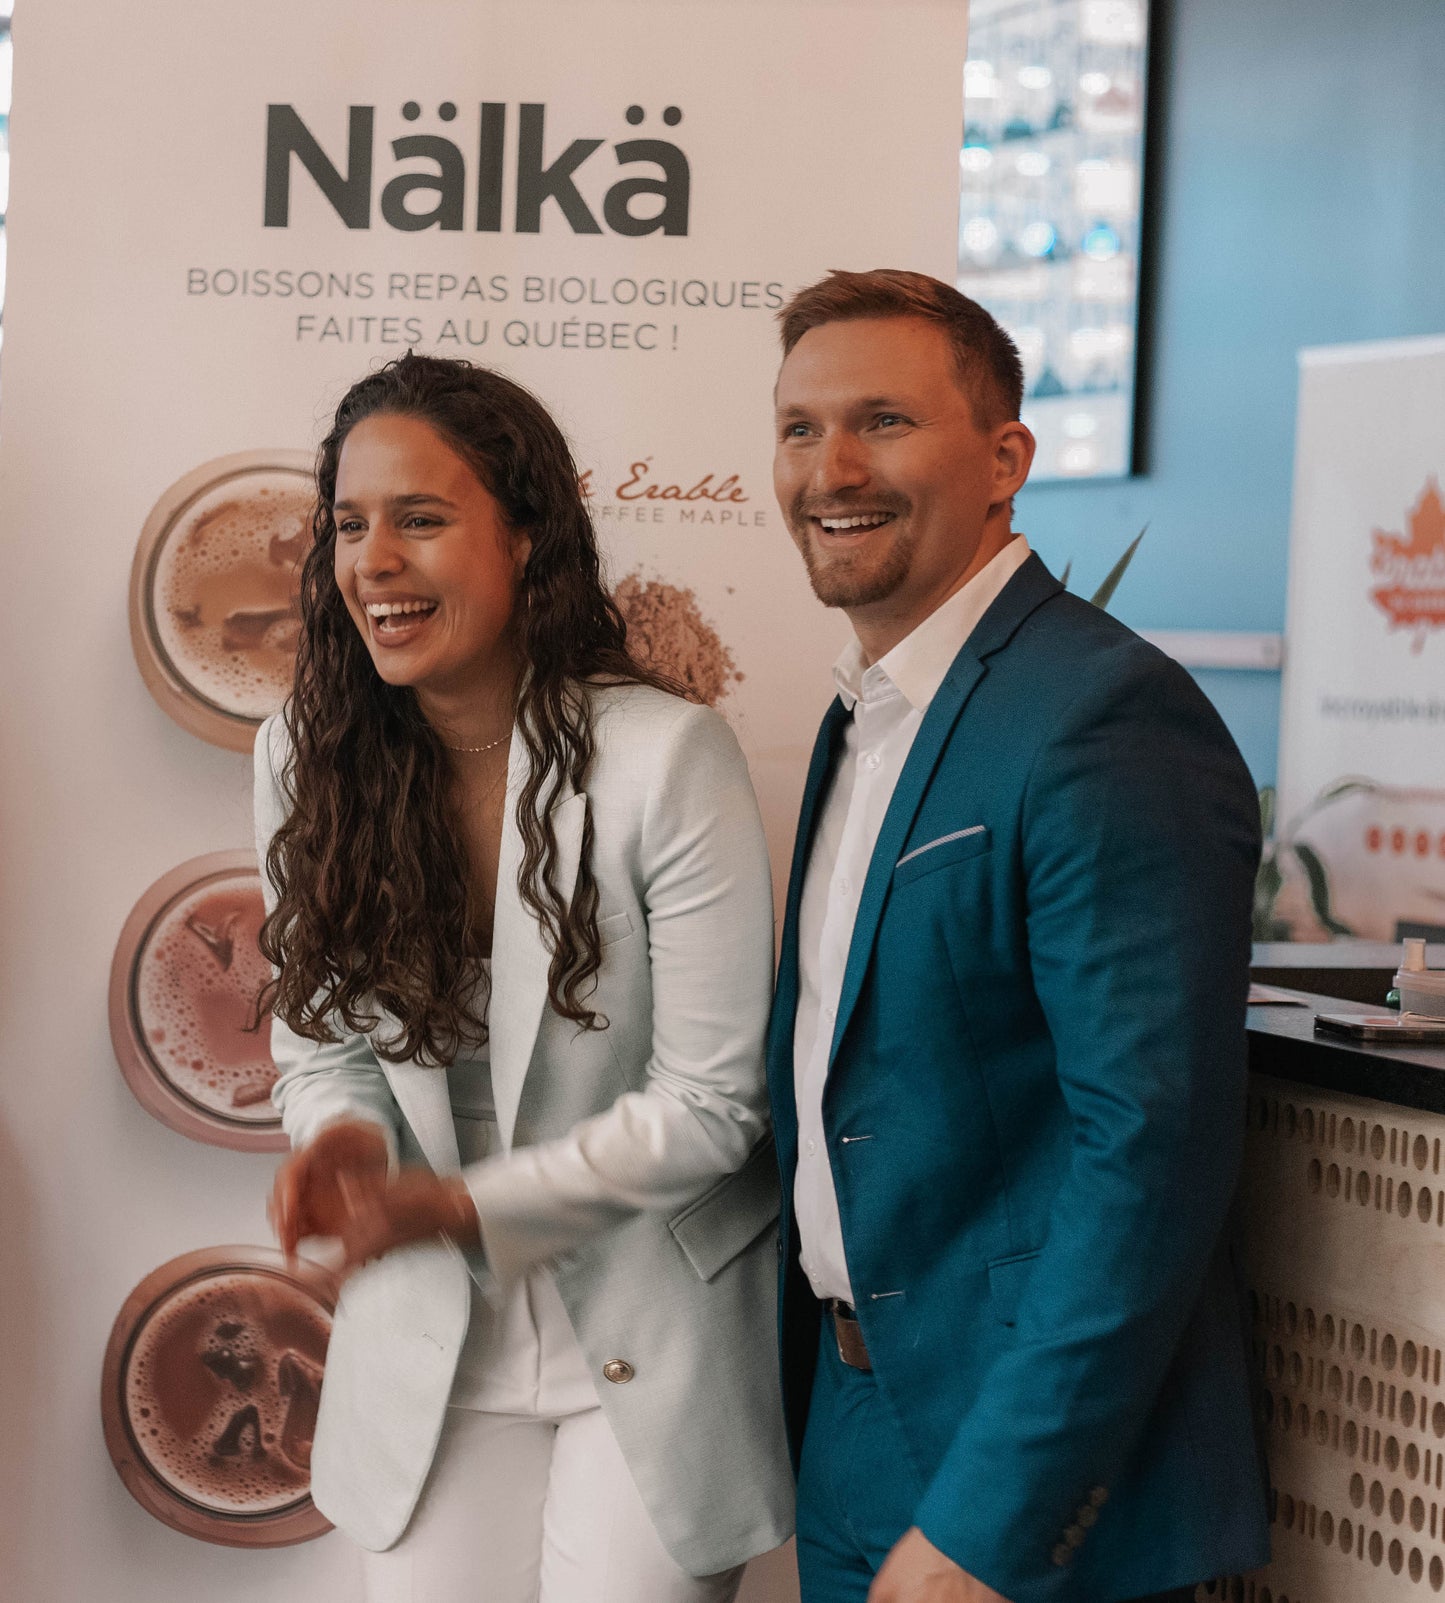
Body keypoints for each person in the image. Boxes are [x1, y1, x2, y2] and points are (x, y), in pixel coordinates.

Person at [253, 351, 792, 1603]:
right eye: (349, 524)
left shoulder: (668, 757)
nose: (373, 560)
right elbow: (320, 1051)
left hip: (650, 1320)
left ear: (527, 536)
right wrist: (345, 1143)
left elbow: (713, 1103)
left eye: (420, 518)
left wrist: (460, 1204)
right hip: (427, 1337)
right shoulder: (303, 755)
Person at [765, 269, 1270, 1603]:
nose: (831, 468)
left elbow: (1148, 1152)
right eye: (801, 428)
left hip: (1015, 1468)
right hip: (852, 1418)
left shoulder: (1102, 714)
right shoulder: (864, 715)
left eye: (882, 420)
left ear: (1005, 461)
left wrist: (996, 1514)